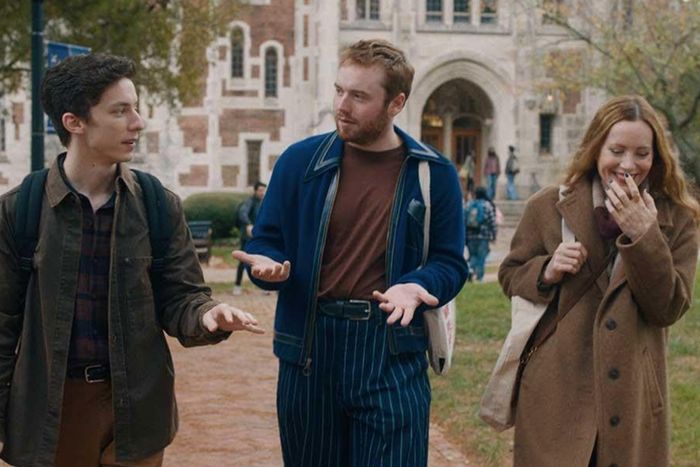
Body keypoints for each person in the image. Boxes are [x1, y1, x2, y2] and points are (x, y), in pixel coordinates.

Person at [0, 54, 264, 467]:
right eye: (120, 111)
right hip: (52, 412)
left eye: (135, 108)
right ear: (74, 122)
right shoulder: (21, 209)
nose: (138, 122)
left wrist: (207, 315)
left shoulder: (157, 204)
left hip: (138, 408)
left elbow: (181, 298)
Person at [233, 39, 468, 466]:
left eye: (359, 96)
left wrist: (417, 286)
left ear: (396, 103)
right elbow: (265, 241)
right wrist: (266, 265)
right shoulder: (298, 162)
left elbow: (450, 263)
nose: (342, 106)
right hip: (309, 350)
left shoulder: (434, 173)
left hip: (390, 348)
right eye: (339, 90)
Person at [498, 95, 699, 467]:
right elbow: (510, 274)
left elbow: (668, 307)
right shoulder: (547, 206)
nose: (628, 164)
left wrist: (645, 236)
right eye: (616, 151)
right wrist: (546, 270)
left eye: (642, 153)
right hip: (555, 394)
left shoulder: (678, 219)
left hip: (633, 398)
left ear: (656, 157)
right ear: (595, 150)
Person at [233, 181, 266, 295]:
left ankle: (264, 287)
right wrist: (248, 224)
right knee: (242, 261)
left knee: (262, 260)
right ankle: (237, 286)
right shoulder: (249, 202)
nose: (262, 192)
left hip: (258, 237)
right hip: (247, 237)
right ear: (255, 191)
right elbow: (242, 213)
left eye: (264, 190)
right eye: (260, 190)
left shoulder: (263, 202)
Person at [465, 187, 497, 281]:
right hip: (483, 236)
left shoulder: (469, 205)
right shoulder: (487, 205)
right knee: (481, 257)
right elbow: (492, 221)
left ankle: (470, 269)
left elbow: (464, 219)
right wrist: (494, 235)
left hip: (470, 235)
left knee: (473, 255)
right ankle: (479, 278)